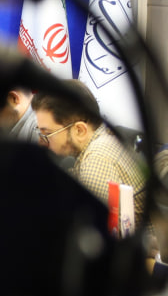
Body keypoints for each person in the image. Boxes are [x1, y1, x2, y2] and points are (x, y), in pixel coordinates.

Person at [33, 80, 147, 222]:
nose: (41, 142)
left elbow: (92, 229)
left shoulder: (96, 160)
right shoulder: (104, 136)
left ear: (80, 130)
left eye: (47, 134)